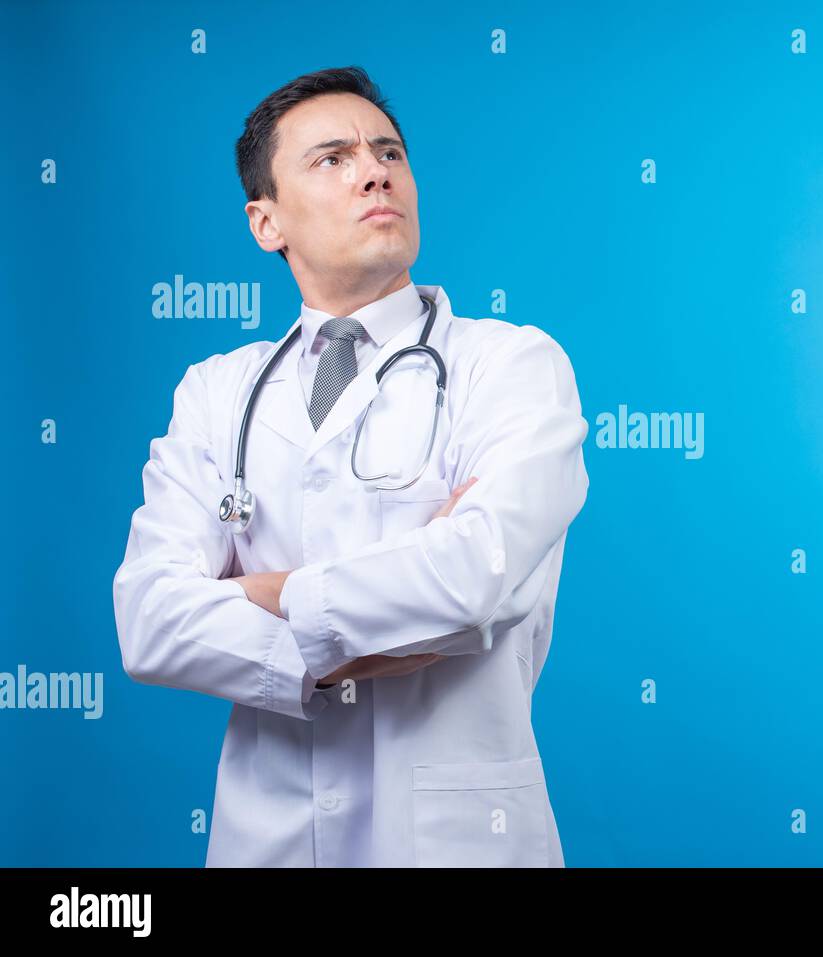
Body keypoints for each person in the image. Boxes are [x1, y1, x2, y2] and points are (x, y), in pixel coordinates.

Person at [111, 66, 589, 867]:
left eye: (389, 153)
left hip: (454, 843)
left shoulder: (510, 365)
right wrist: (353, 641)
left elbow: (473, 580)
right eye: (331, 158)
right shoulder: (216, 391)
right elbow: (151, 622)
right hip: (267, 839)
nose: (375, 170)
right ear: (266, 222)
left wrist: (259, 596)